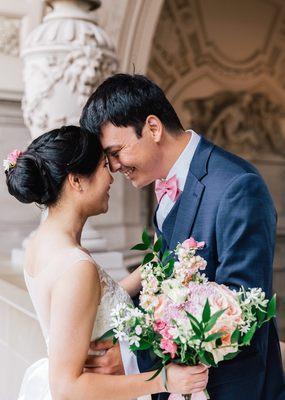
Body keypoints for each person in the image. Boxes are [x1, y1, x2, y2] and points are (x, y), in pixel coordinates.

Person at [80, 73, 285, 400]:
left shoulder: (237, 187)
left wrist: (134, 357)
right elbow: (167, 279)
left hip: (231, 388)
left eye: (116, 152)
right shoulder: (164, 186)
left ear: (153, 127)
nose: (115, 167)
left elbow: (242, 311)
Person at [5, 125, 209, 400]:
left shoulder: (44, 242)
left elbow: (95, 304)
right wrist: (164, 379)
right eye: (103, 166)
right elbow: (67, 388)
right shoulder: (76, 267)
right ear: (76, 180)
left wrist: (158, 264)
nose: (112, 177)